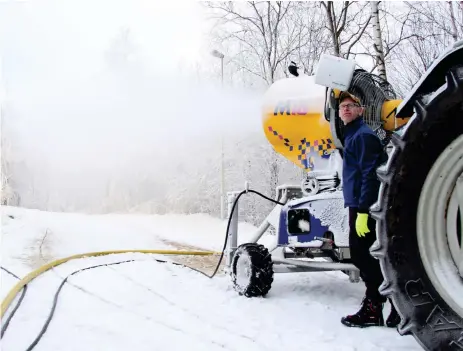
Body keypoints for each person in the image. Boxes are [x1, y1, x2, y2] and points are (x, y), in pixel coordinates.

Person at [337, 91, 400, 328]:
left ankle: (375, 307)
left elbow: (371, 176)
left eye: (351, 105)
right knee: (367, 256)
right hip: (359, 204)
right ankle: (395, 306)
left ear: (361, 110)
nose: (345, 109)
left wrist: (364, 211)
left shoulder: (363, 136)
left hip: (365, 207)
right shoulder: (354, 136)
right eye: (343, 106)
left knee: (364, 256)